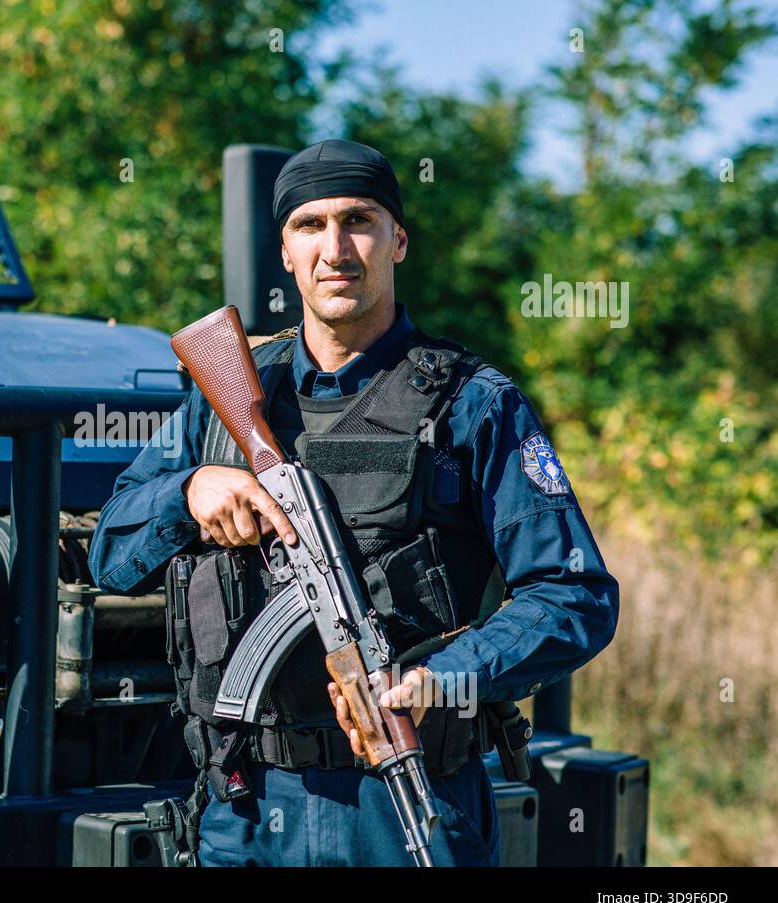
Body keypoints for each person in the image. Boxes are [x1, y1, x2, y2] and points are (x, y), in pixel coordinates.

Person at [88, 140, 619, 866]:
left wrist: (445, 678)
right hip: (246, 806)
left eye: (359, 221)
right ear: (284, 250)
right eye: (310, 225)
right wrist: (188, 492)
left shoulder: (472, 405)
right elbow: (109, 554)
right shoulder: (221, 405)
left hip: (405, 805)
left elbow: (575, 594)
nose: (335, 248)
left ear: (397, 240)